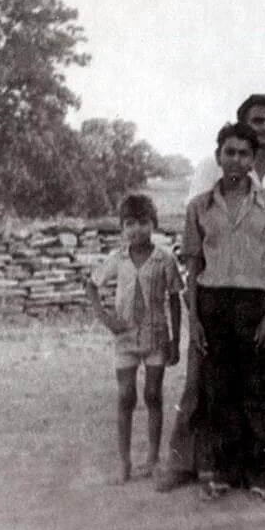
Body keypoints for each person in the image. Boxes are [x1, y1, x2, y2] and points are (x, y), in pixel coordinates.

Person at [157, 93, 265, 493]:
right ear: (218, 156)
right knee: (218, 390)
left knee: (256, 389)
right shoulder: (200, 205)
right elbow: (193, 264)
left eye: (244, 154)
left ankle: (256, 469)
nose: (236, 160)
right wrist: (194, 318)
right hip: (213, 301)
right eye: (229, 152)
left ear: (253, 159)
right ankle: (219, 470)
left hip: (254, 302)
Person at [86, 194, 183, 485]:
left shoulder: (164, 259)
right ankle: (123, 461)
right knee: (125, 395)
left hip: (156, 336)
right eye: (129, 224)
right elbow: (91, 285)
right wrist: (106, 319)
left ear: (153, 224)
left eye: (143, 222)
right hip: (125, 337)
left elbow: (175, 298)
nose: (136, 230)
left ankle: (153, 458)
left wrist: (176, 341)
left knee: (153, 394)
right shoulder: (118, 259)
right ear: (121, 229)